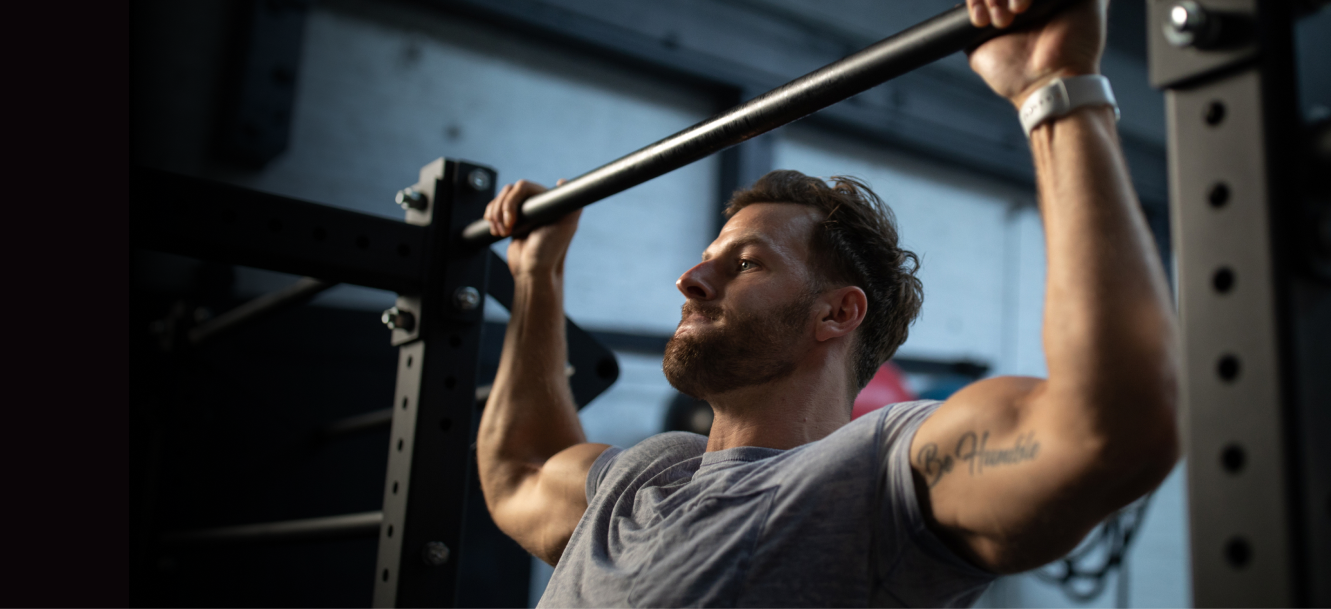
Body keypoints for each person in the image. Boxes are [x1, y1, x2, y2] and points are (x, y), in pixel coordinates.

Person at [475, 0, 1179, 606]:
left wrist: (1054, 89)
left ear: (836, 314)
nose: (690, 279)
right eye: (708, 258)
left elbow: (1107, 429)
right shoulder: (642, 474)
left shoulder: (875, 477)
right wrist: (538, 273)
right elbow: (518, 471)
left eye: (744, 264)